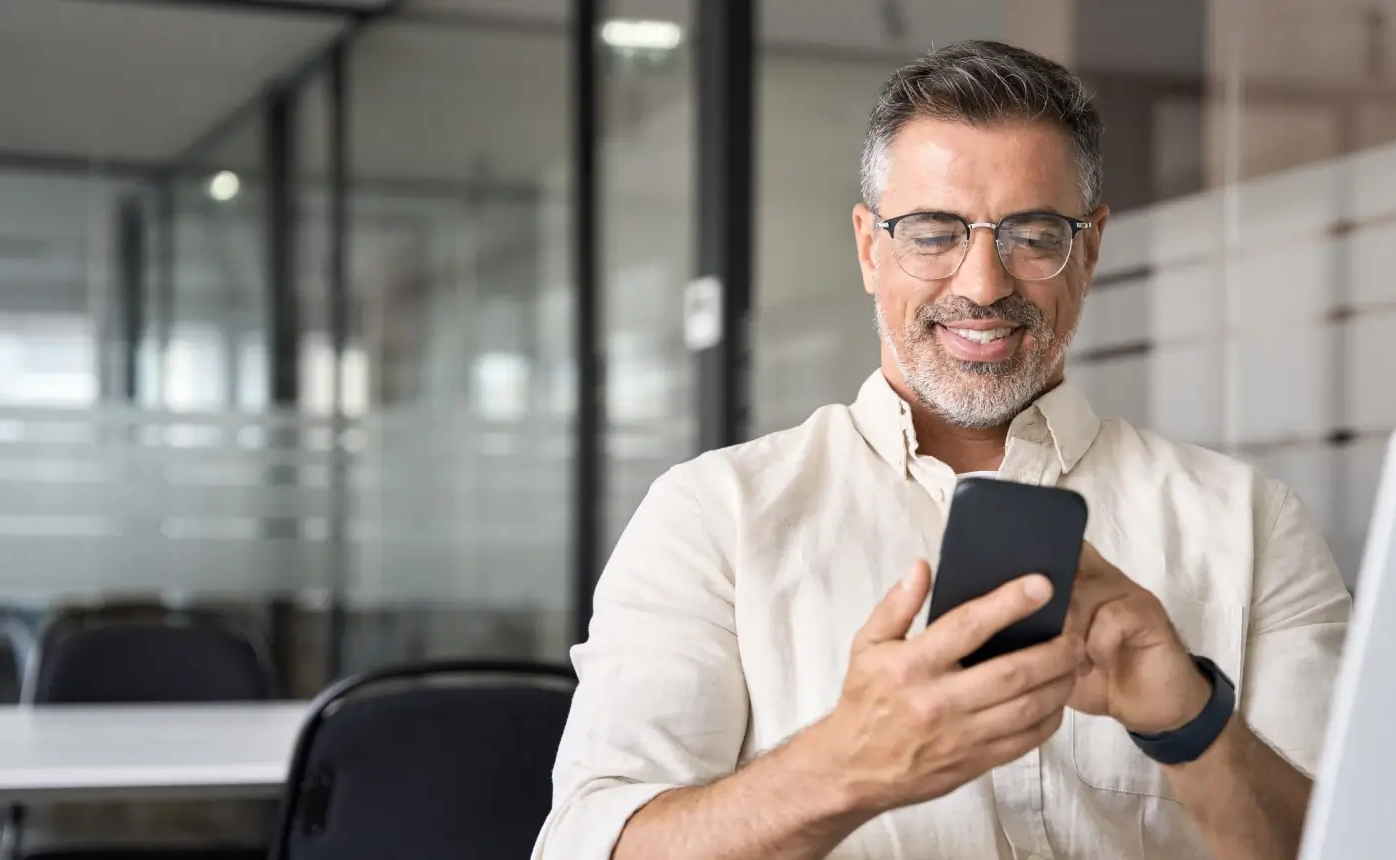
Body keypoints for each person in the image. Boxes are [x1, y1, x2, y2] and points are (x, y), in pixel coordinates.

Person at [533, 40, 1351, 860]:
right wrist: (847, 763)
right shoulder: (715, 515)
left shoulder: (1249, 521)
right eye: (933, 234)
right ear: (869, 248)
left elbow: (1368, 840)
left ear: (1090, 250)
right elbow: (585, 848)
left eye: (1033, 235)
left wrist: (1192, 723)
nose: (984, 283)